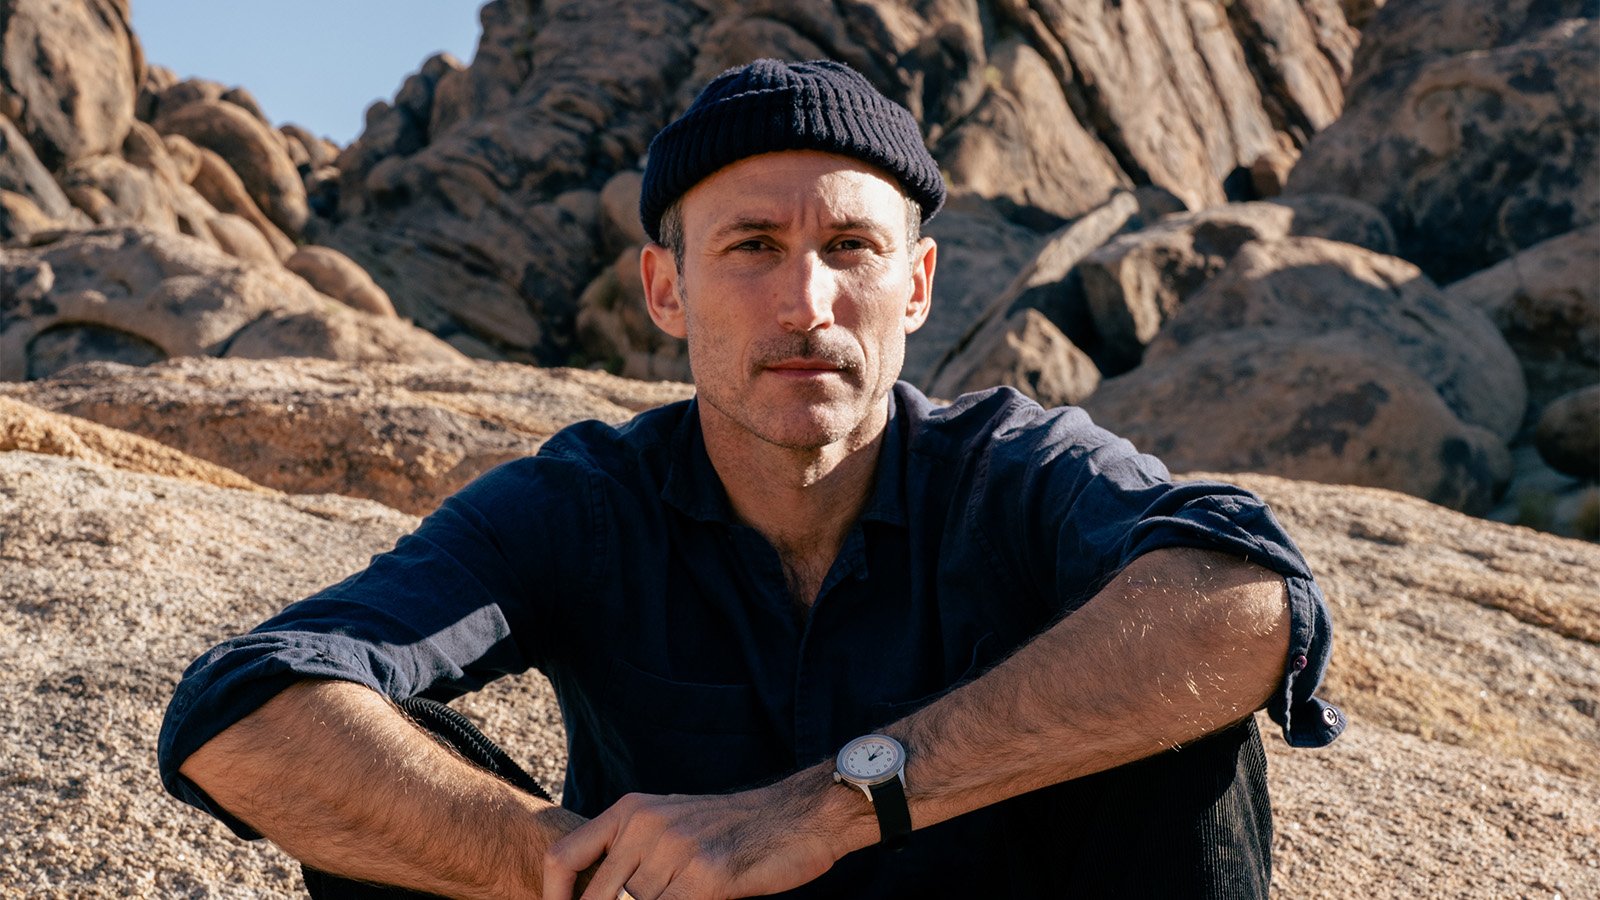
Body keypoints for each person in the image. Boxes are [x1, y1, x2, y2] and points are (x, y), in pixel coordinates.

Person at [159, 58, 1342, 899]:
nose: (805, 303)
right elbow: (244, 708)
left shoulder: (1012, 471)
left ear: (917, 286)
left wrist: (819, 811)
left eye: (850, 248)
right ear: (665, 290)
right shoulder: (586, 505)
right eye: (752, 248)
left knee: (1176, 720)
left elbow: (1246, 594)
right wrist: (558, 862)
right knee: (385, 782)